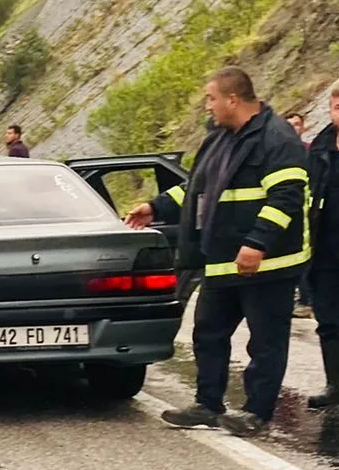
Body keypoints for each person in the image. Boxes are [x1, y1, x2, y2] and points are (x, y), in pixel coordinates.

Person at [125, 66, 308, 437]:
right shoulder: (218, 139)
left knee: (266, 342)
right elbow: (195, 190)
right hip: (221, 260)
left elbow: (286, 198)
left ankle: (256, 412)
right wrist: (155, 207)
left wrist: (257, 243)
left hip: (266, 265)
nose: (207, 106)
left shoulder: (277, 139)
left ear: (232, 99)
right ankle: (207, 404)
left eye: (210, 98)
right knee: (208, 333)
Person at [306, 85, 339, 408]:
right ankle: (335, 385)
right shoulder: (319, 148)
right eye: (336, 103)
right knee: (329, 321)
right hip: (325, 251)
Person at [285, 112, 314, 318]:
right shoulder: (277, 153)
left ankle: (306, 300)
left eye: (297, 124)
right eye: (290, 125)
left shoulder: (312, 152)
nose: (294, 128)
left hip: (311, 214)